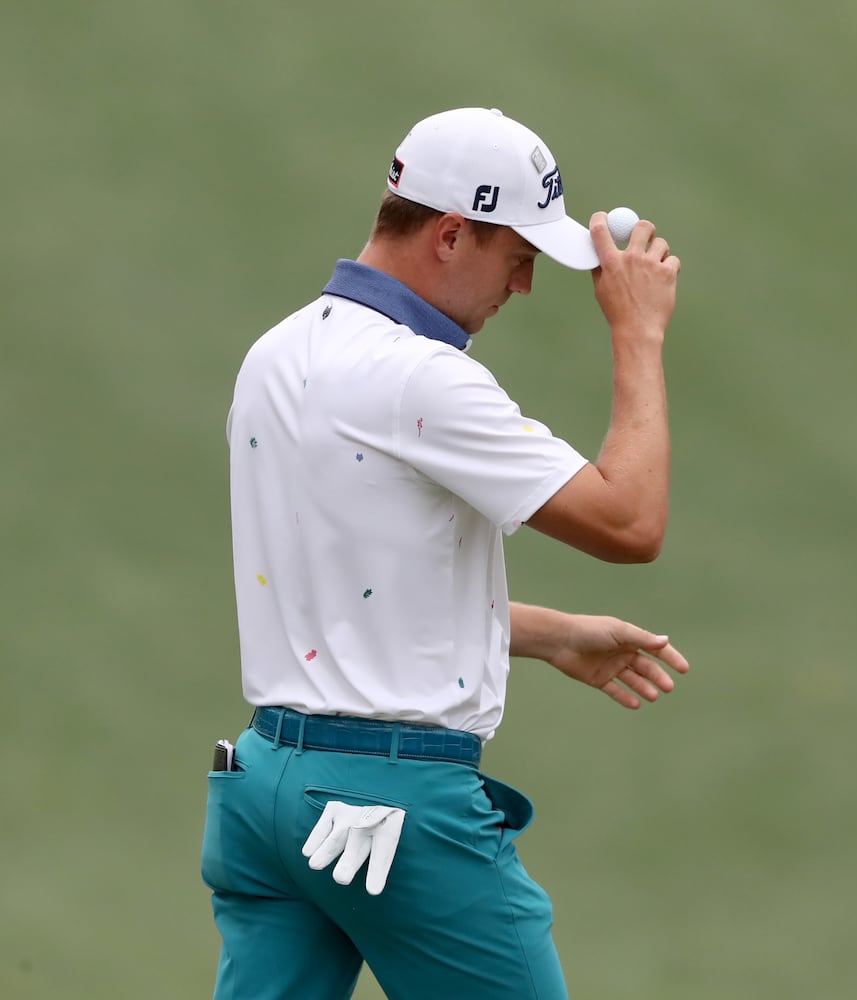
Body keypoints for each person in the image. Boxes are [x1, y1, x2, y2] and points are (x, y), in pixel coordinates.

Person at [200, 106, 687, 1000]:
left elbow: (347, 600)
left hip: (266, 793)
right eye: (519, 257)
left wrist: (545, 633)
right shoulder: (423, 379)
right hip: (391, 809)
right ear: (453, 234)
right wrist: (638, 332)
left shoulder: (274, 355)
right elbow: (629, 523)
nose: (525, 285)